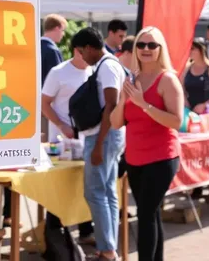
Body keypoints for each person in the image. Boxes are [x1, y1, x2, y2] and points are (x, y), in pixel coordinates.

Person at [110, 26, 183, 261]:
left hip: (162, 157)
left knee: (145, 213)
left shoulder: (168, 79)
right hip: (135, 158)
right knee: (151, 214)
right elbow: (115, 123)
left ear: (161, 49)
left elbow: (175, 121)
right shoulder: (131, 79)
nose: (146, 49)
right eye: (141, 45)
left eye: (152, 45)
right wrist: (122, 102)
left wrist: (143, 104)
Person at [71, 27, 125, 261]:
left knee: (95, 193)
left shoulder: (108, 67)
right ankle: (109, 247)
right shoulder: (108, 65)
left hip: (105, 135)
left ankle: (107, 251)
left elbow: (111, 106)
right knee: (107, 193)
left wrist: (99, 145)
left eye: (82, 52)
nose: (82, 57)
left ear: (91, 48)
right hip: (109, 135)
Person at [41, 45, 95, 244]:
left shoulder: (93, 71)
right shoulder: (58, 72)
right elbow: (44, 103)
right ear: (76, 50)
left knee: (85, 186)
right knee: (59, 189)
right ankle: (54, 238)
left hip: (86, 141)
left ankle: (86, 231)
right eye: (87, 50)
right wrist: (62, 125)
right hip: (61, 143)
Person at [40, 14, 67, 141]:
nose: (63, 35)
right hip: (47, 107)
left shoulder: (34, 46)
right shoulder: (52, 50)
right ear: (57, 28)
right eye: (63, 30)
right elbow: (59, 81)